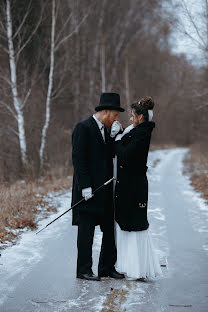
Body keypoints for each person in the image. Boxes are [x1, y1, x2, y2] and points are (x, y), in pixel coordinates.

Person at [71, 92, 125, 281]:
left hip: (105, 191)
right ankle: (83, 270)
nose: (117, 119)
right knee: (86, 232)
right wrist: (85, 186)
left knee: (109, 230)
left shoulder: (107, 131)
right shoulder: (83, 128)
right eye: (115, 115)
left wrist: (113, 137)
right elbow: (79, 160)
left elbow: (108, 156)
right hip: (88, 192)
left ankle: (106, 268)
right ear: (106, 111)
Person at [114, 96, 162, 280]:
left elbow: (125, 155)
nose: (131, 118)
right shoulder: (134, 131)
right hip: (128, 185)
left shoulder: (142, 133)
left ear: (141, 117)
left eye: (133, 115)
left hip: (134, 187)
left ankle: (138, 269)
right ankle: (129, 266)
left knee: (135, 225)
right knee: (127, 224)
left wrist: (118, 139)